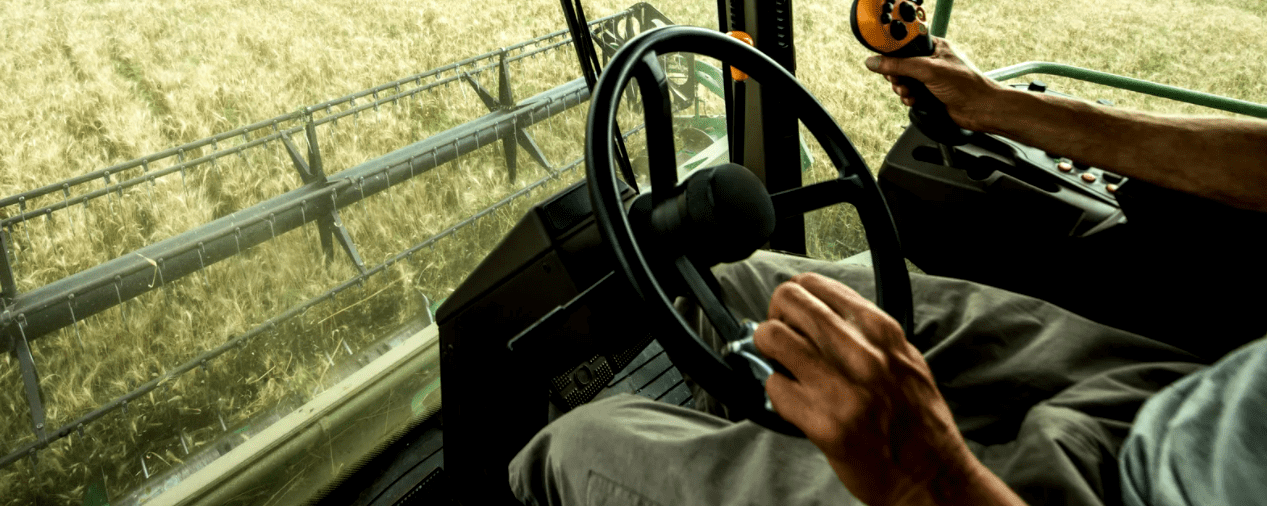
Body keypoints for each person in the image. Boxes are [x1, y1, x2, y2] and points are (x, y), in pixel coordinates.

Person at [509, 37, 1267, 506]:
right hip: (1186, 389)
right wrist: (996, 107)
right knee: (768, 281)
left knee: (582, 444)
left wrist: (922, 478)